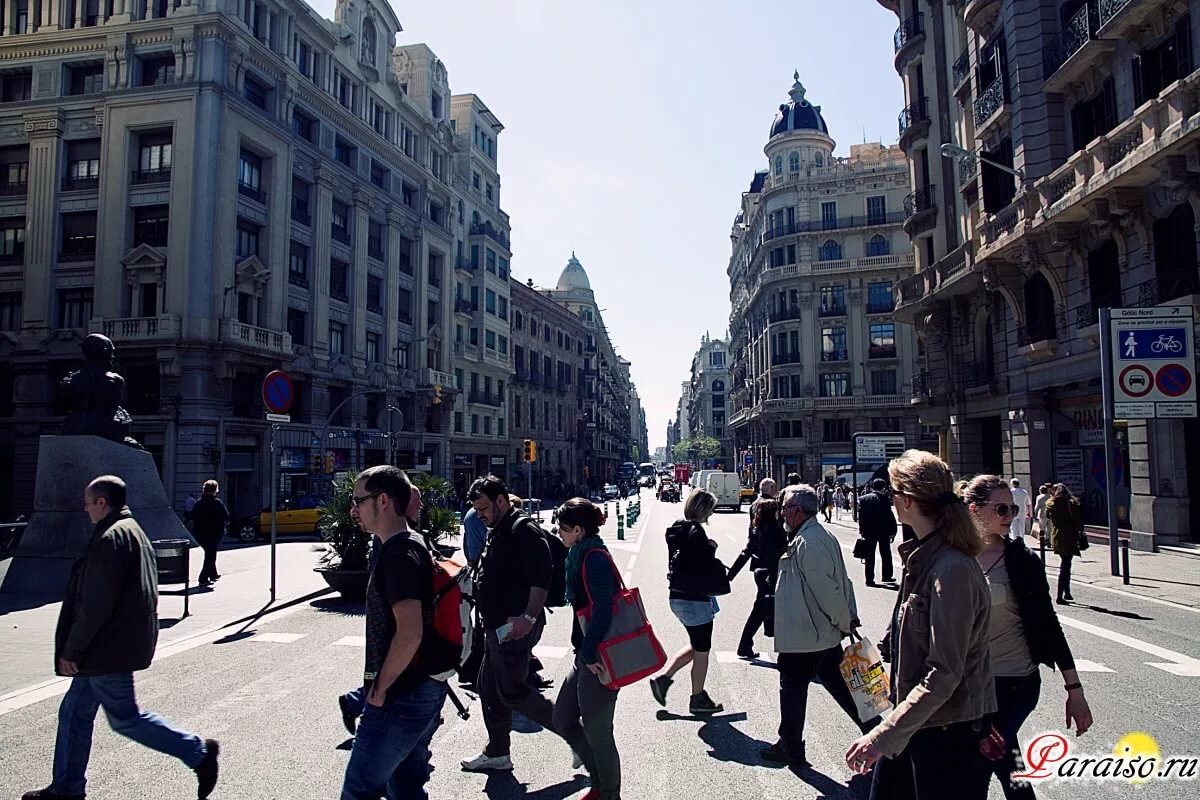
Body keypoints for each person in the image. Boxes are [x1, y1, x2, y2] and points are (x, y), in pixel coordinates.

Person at [23, 476, 219, 800]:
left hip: (105, 649)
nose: (85, 508)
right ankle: (66, 788)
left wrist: (72, 650)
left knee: (125, 718)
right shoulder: (132, 530)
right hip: (112, 645)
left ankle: (198, 753)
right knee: (74, 714)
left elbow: (95, 604)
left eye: (88, 502)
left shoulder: (111, 538)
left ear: (103, 502)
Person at [844, 450, 996, 800]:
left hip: (947, 734)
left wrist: (881, 736)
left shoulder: (951, 569)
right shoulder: (924, 557)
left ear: (907, 501)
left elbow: (944, 672)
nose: (890, 501)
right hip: (913, 724)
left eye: (894, 494)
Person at [963, 475, 1095, 800]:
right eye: (1002, 509)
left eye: (1013, 508)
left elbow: (1049, 626)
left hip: (1014, 683)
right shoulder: (955, 558)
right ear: (974, 510)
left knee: (981, 762)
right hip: (970, 685)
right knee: (1008, 765)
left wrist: (1074, 690)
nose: (1010, 516)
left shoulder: (1021, 562)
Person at [461, 476, 590, 772]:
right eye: (476, 509)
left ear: (501, 501)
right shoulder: (499, 528)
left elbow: (541, 577)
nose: (479, 515)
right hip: (496, 625)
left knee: (512, 691)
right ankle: (497, 752)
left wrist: (527, 617)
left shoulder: (523, 529)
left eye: (483, 508)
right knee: (489, 687)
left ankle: (577, 735)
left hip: (514, 627)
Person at [339, 466, 447, 800]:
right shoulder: (412, 543)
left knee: (359, 790)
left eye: (359, 500)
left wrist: (380, 688)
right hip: (423, 686)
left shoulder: (399, 554)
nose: (353, 509)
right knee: (405, 789)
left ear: (382, 500)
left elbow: (410, 631)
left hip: (402, 694)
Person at [762, 484, 879, 771]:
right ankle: (880, 737)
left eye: (786, 508)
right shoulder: (817, 534)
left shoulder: (808, 542)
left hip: (807, 634)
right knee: (846, 690)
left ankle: (791, 747)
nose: (782, 513)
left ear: (798, 511)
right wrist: (846, 617)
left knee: (793, 690)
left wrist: (844, 619)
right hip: (818, 633)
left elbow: (827, 589)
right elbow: (843, 582)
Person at [339, 486, 424, 737]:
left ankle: (358, 699)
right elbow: (408, 631)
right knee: (366, 771)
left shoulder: (405, 538)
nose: (420, 506)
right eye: (416, 501)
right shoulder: (396, 544)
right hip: (393, 657)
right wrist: (378, 690)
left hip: (399, 661)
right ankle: (357, 701)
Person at [552, 498, 623, 800]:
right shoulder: (579, 554)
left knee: (599, 733)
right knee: (563, 718)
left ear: (578, 530)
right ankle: (597, 781)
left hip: (599, 656)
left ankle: (609, 793)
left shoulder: (593, 557)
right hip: (585, 653)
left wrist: (592, 653)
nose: (558, 532)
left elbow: (604, 611)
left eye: (562, 528)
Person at [649, 488, 729, 715]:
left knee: (696, 643)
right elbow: (699, 565)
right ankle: (697, 697)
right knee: (703, 649)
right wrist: (711, 549)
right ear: (703, 509)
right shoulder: (696, 532)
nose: (710, 515)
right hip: (695, 599)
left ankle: (664, 680)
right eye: (710, 510)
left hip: (677, 596)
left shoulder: (677, 529)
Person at [731, 499, 787, 659]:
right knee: (772, 611)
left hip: (760, 572)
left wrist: (730, 575)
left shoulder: (757, 530)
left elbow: (746, 552)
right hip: (772, 574)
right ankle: (783, 651)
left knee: (759, 611)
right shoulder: (775, 531)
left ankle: (745, 645)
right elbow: (778, 555)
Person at [1046, 484, 1084, 605]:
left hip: (1057, 535)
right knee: (1066, 565)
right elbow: (1078, 521)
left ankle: (1067, 592)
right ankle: (1060, 595)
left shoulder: (1051, 503)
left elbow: (1048, 516)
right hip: (1069, 536)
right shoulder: (1070, 504)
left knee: (1065, 563)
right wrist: (1081, 532)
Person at [857, 478, 897, 587]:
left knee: (869, 555)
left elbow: (861, 517)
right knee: (886, 554)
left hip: (869, 531)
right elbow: (889, 516)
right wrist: (892, 531)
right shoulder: (884, 499)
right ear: (883, 487)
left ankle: (869, 579)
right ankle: (886, 575)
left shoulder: (864, 499)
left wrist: (862, 530)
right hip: (883, 531)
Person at [190, 480, 229, 585]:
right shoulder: (217, 502)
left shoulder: (198, 503)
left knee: (209, 552)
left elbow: (192, 516)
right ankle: (203, 577)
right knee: (211, 554)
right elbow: (226, 516)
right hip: (215, 532)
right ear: (215, 490)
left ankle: (213, 574)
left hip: (200, 533)